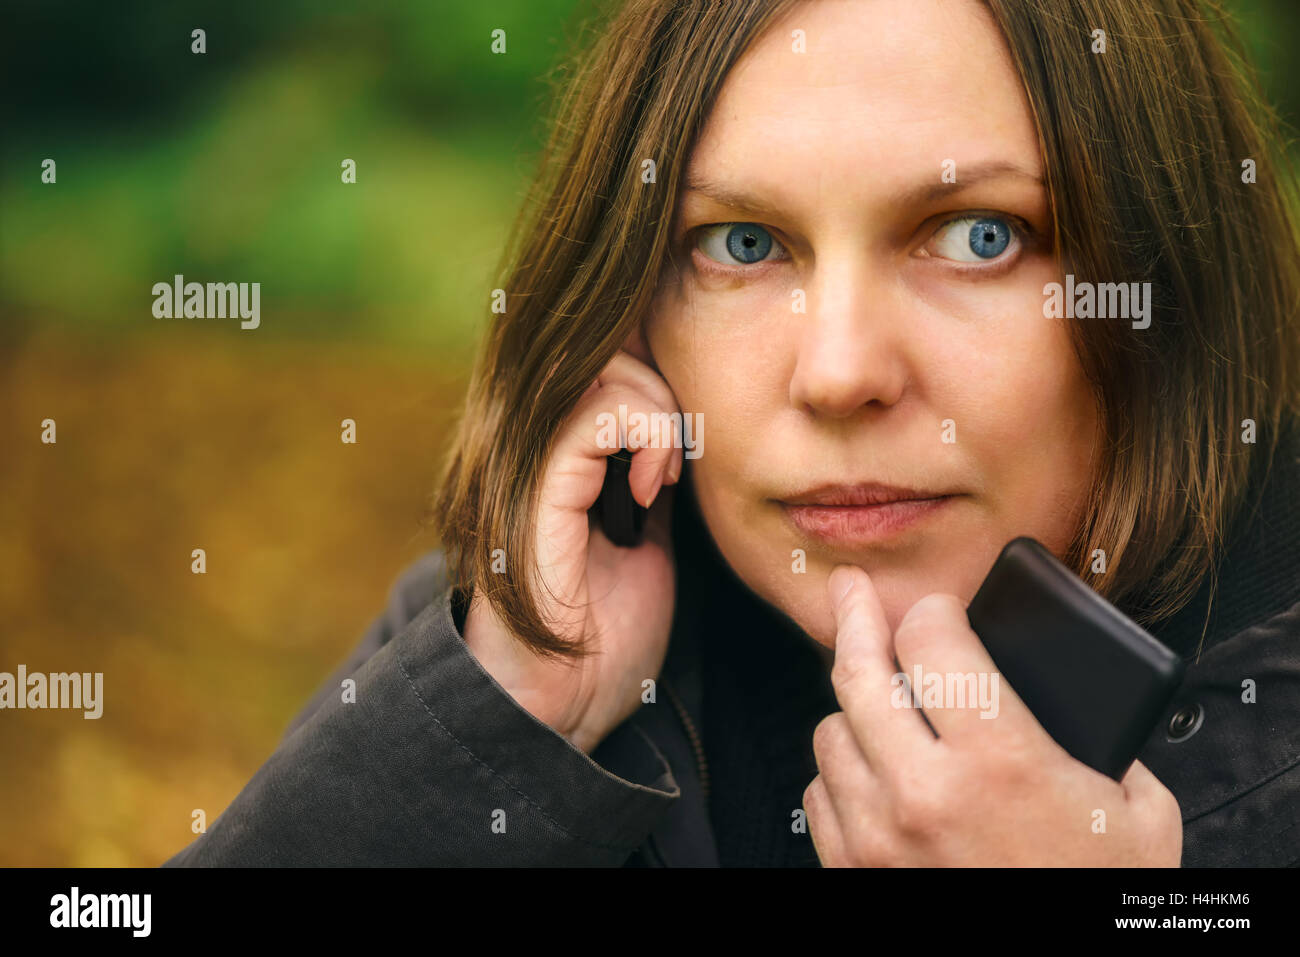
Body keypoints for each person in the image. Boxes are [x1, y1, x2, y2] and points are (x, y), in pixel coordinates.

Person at [165, 0, 1300, 867]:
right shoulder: (519, 650)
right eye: (744, 245)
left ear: (1165, 288)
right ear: (633, 304)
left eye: (979, 236)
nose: (840, 370)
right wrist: (508, 729)